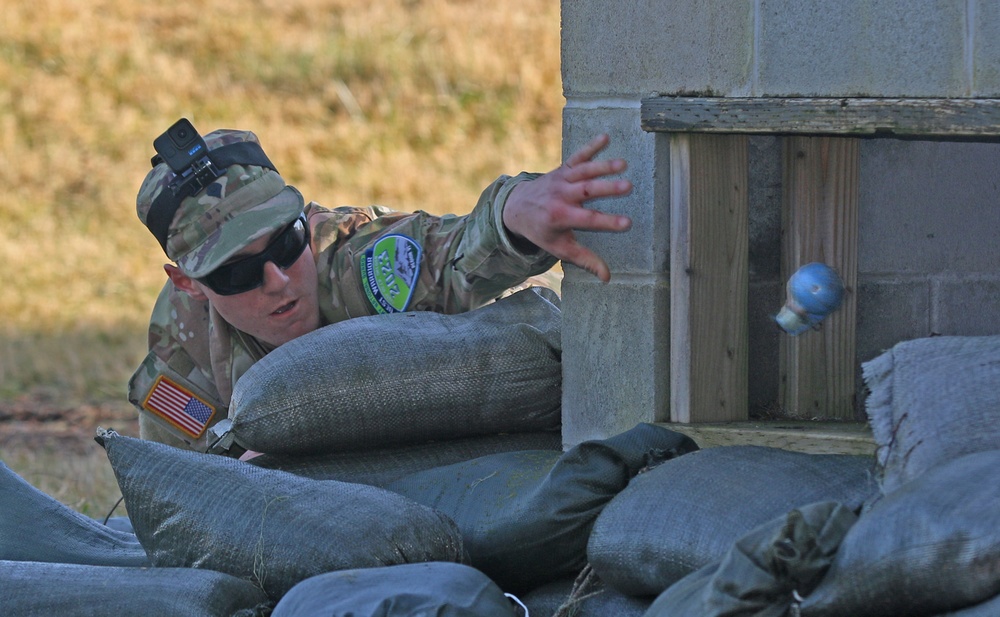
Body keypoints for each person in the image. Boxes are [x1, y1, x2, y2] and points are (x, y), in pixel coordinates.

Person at [128, 122, 633, 453]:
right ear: (189, 285)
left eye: (286, 242)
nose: (277, 279)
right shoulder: (183, 339)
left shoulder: (353, 263)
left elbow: (449, 253)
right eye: (235, 273)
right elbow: (182, 482)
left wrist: (513, 216)